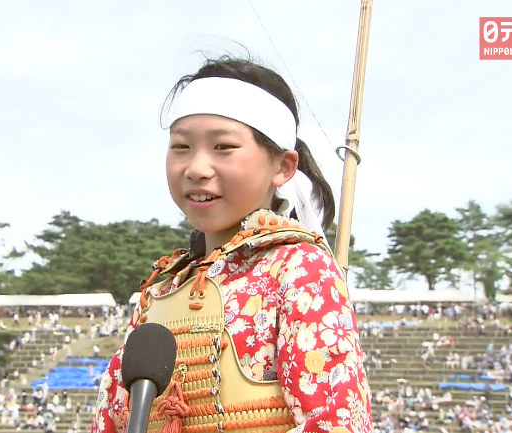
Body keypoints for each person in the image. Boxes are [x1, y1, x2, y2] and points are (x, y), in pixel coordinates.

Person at [91, 55, 372, 433]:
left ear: (283, 166)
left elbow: (337, 425)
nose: (196, 167)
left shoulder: (301, 271)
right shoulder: (159, 292)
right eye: (181, 147)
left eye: (223, 147)